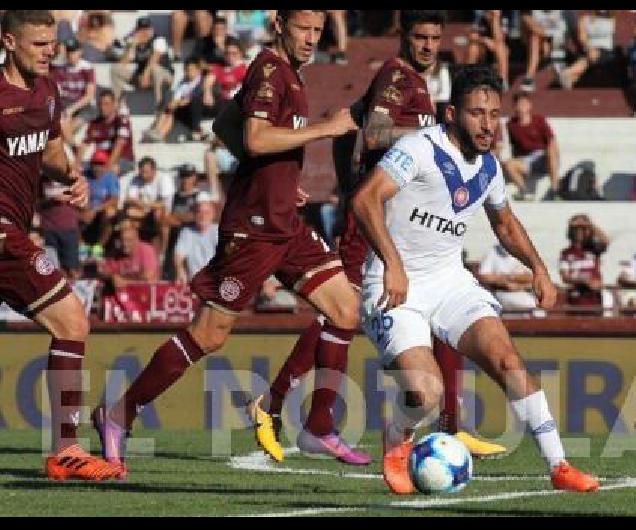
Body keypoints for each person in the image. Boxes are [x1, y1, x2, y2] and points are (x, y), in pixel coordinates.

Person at [91, 10, 361, 478]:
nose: (311, 39)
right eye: (303, 29)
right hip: (253, 227)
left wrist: (279, 180)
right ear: (279, 24)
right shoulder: (271, 69)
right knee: (210, 335)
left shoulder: (287, 72)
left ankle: (318, 424)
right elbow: (256, 138)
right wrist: (324, 129)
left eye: (318, 31)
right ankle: (118, 413)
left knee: (344, 309)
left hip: (283, 219)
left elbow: (225, 128)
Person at [252, 10, 504, 463]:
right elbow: (374, 133)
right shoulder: (396, 75)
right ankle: (275, 407)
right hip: (373, 219)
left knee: (443, 310)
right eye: (419, 37)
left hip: (404, 221)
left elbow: (349, 120)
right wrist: (435, 134)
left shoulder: (419, 84)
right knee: (339, 311)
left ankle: (450, 422)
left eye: (434, 38)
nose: (427, 46)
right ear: (402, 36)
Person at [352, 64, 599, 495]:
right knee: (426, 394)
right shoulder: (418, 149)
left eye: (493, 113)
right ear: (452, 114)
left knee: (508, 361)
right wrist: (392, 263)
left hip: (449, 279)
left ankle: (559, 465)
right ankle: (397, 437)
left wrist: (539, 269)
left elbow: (504, 224)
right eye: (476, 113)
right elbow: (365, 198)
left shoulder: (489, 166)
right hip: (395, 283)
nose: (488, 124)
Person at [0, 10, 121, 480]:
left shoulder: (46, 91)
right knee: (71, 318)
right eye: (38, 44)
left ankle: (66, 450)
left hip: (12, 227)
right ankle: (66, 451)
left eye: (52, 43)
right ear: (9, 42)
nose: (50, 51)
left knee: (70, 322)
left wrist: (73, 176)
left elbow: (48, 147)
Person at [500, 92, 560, 200]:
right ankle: (525, 191)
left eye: (524, 103)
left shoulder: (539, 120)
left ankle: (555, 189)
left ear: (529, 105)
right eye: (518, 104)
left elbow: (551, 141)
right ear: (514, 106)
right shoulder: (511, 124)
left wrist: (555, 156)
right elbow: (513, 147)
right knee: (508, 164)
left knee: (551, 151)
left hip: (542, 158)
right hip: (525, 160)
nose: (521, 107)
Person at [50, 37, 96, 149]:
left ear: (80, 51)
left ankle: (72, 150)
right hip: (65, 105)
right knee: (62, 121)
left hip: (83, 106)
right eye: (69, 52)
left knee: (62, 127)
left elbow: (89, 96)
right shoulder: (59, 68)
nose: (71, 55)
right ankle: (75, 148)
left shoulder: (87, 68)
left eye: (74, 51)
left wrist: (71, 109)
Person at [77, 89, 135, 177]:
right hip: (101, 160)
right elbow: (84, 144)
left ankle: (111, 190)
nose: (103, 107)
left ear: (114, 104)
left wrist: (107, 166)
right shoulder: (95, 123)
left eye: (106, 104)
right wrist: (77, 163)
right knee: (80, 172)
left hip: (124, 160)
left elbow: (119, 145)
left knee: (110, 171)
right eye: (100, 104)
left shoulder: (122, 121)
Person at [558, 214, 609, 313]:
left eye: (582, 229)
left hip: (594, 296)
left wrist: (589, 224)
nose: (579, 232)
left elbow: (606, 240)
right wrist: (584, 280)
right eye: (576, 229)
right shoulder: (566, 253)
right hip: (576, 295)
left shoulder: (594, 249)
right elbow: (565, 277)